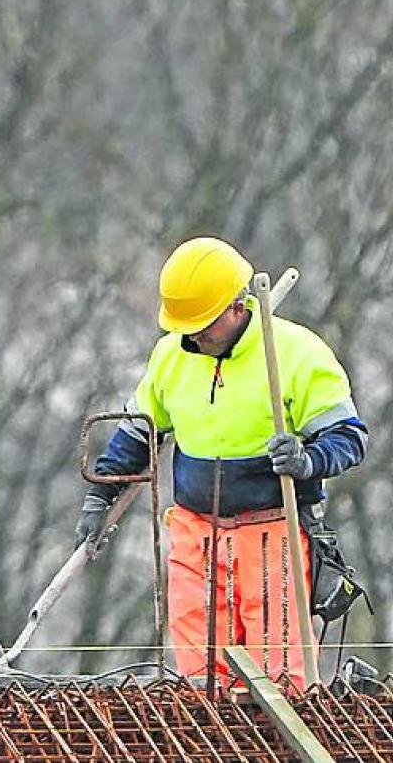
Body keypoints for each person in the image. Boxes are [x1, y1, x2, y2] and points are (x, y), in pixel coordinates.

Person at [75, 237, 367, 690]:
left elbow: (350, 437)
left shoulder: (296, 355)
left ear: (237, 306)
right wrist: (100, 496)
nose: (192, 336)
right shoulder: (171, 357)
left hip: (273, 536)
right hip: (196, 535)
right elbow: (137, 434)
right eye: (185, 326)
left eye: (202, 324)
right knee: (202, 681)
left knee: (280, 684)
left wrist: (308, 459)